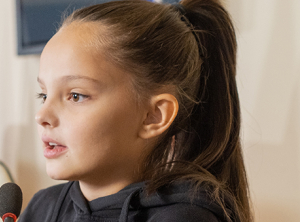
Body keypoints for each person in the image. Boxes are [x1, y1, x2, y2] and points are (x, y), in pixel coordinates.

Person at [20, 0, 251, 222]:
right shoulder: (44, 205)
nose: (42, 116)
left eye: (76, 96)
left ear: (153, 116)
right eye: (44, 95)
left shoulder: (184, 217)